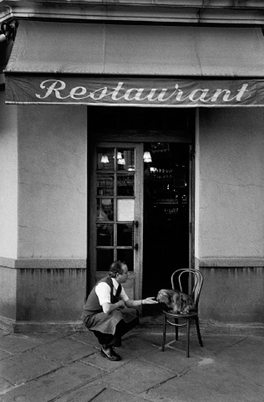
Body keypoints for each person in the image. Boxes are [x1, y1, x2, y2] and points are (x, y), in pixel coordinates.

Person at [82, 260, 158, 361]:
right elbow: (106, 309)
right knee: (117, 315)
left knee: (132, 315)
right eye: (126, 273)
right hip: (91, 318)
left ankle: (109, 339)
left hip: (103, 316)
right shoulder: (104, 285)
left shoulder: (118, 286)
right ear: (118, 274)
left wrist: (144, 301)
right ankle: (106, 347)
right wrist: (119, 304)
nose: (128, 275)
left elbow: (128, 303)